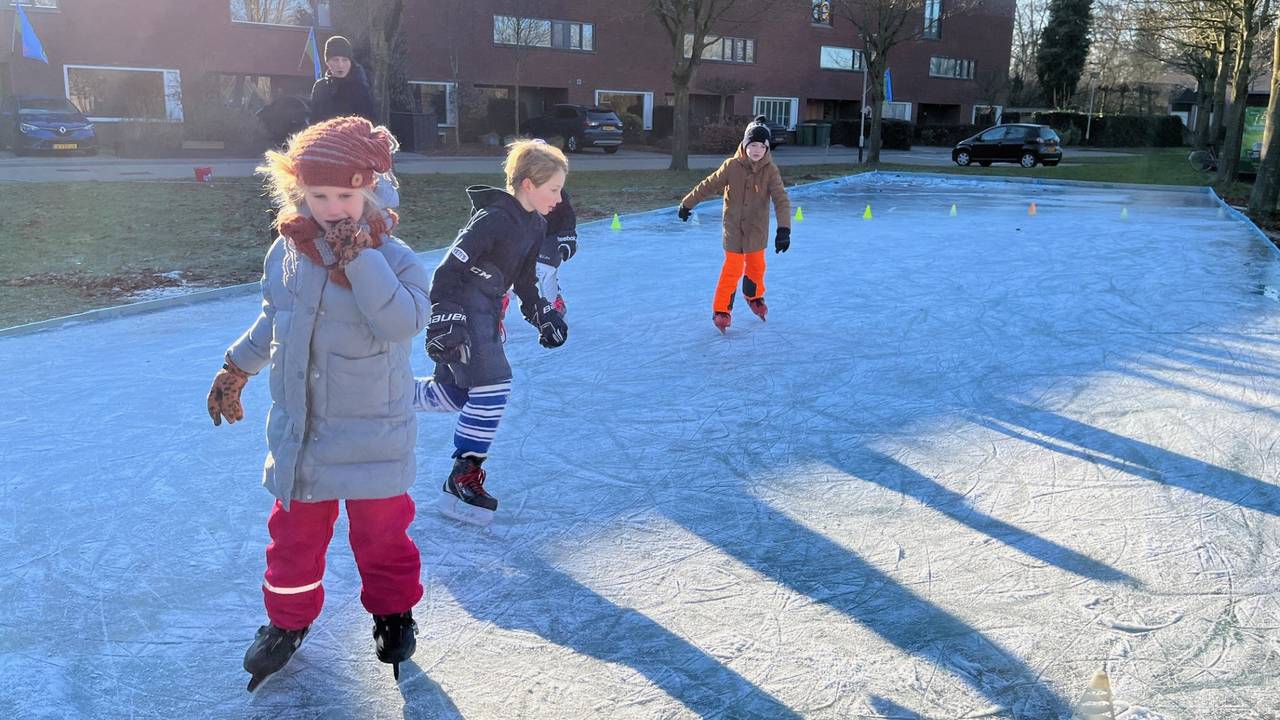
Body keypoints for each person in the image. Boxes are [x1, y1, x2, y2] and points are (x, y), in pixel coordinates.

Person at [206, 116, 430, 691]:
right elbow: (271, 321)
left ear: (372, 191)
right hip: (302, 434)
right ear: (298, 192)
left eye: (347, 196)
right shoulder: (288, 254)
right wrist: (237, 368)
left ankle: (393, 612)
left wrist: (360, 259)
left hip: (372, 434)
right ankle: (286, 623)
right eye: (320, 195)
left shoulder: (396, 257)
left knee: (383, 538)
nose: (333, 208)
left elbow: (401, 321)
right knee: (293, 541)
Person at [412, 139, 569, 527]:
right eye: (553, 189)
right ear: (528, 184)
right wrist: (445, 316)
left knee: (454, 395)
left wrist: (542, 314)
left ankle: (381, 394)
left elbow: (526, 283)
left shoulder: (536, 226)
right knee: (494, 386)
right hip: (465, 313)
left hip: (488, 312)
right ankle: (461, 475)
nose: (560, 198)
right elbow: (446, 272)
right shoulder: (493, 219)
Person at [677, 115, 792, 333]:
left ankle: (754, 296)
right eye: (753, 145)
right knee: (733, 268)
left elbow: (781, 199)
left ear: (767, 148)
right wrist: (687, 204)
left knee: (757, 266)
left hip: (757, 230)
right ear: (745, 145)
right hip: (733, 230)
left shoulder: (770, 171)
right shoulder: (731, 166)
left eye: (762, 146)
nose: (757, 150)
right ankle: (722, 310)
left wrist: (784, 230)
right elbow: (708, 185)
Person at [496, 187, 577, 340]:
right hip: (526, 235)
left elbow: (567, 213)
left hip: (550, 235)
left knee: (544, 270)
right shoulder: (517, 189)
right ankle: (498, 303)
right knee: (510, 268)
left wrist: (567, 237)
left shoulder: (553, 186)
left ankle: (553, 303)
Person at [309, 35, 376, 124]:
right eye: (335, 60)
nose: (340, 65)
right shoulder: (320, 87)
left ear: (351, 62)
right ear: (327, 62)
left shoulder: (361, 88)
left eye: (345, 60)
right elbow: (313, 122)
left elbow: (370, 124)